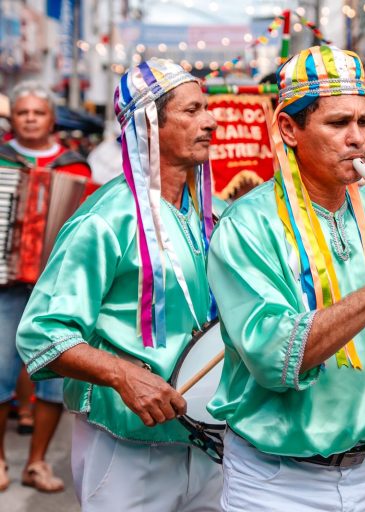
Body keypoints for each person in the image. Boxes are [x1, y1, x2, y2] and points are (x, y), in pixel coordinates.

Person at [206, 45, 365, 511]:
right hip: (276, 483)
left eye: (363, 122)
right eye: (338, 123)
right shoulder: (247, 226)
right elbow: (274, 358)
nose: (357, 139)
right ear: (289, 129)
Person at [15, 59, 222, 509]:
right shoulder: (105, 220)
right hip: (128, 446)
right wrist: (122, 374)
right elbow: (41, 333)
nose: (210, 121)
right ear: (150, 125)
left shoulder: (212, 212)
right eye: (192, 111)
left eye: (206, 108)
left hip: (209, 442)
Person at [0, 81, 91, 493]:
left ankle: (36, 463)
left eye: (38, 112)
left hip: (57, 287)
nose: (31, 119)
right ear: (13, 118)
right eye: (23, 112)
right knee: (0, 373)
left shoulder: (75, 166)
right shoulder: (3, 158)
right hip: (6, 281)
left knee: (55, 377)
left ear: (51, 118)